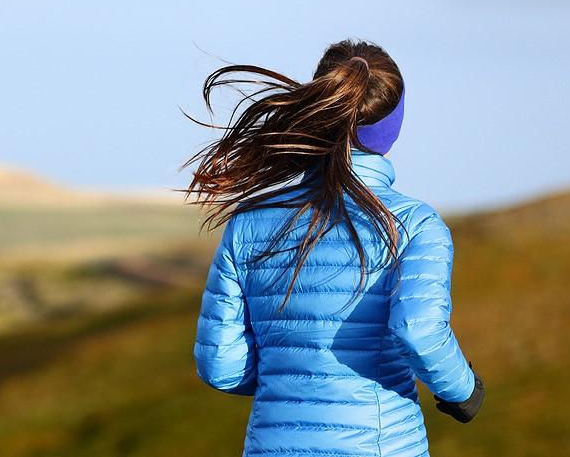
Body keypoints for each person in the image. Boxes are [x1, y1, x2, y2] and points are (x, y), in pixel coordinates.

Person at [185, 39, 485, 457]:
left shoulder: (247, 223)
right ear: (393, 126)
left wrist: (291, 379)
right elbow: (418, 330)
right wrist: (465, 390)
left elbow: (220, 367)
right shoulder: (415, 225)